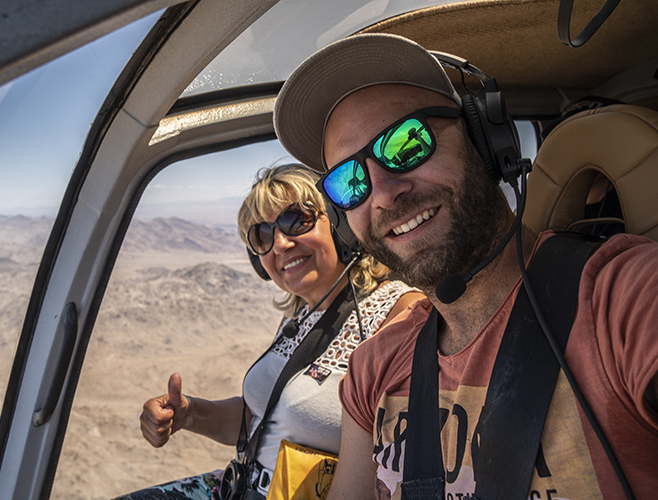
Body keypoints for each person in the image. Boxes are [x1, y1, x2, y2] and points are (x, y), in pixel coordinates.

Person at [273, 34, 658, 499]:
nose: (382, 193)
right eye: (348, 180)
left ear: (483, 139)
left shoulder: (619, 300)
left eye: (406, 144)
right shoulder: (375, 367)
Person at [115, 163, 422, 500]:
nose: (280, 244)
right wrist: (190, 414)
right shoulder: (300, 318)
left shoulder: (400, 314)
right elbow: (263, 421)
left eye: (296, 220)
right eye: (261, 235)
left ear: (339, 224)